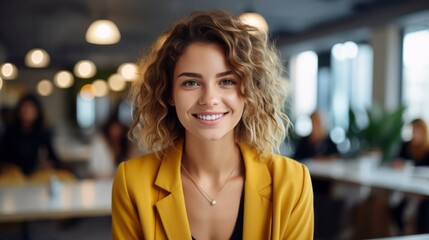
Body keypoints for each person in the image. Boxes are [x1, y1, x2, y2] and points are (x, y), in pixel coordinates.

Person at [111, 9, 314, 239]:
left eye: (226, 81)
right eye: (191, 83)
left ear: (248, 91)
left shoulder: (292, 182)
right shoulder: (132, 183)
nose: (209, 98)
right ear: (169, 94)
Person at [0, 93, 61, 175]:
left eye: (31, 107)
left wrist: (47, 165)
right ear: (19, 109)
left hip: (33, 175)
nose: (27, 110)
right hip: (11, 176)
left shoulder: (42, 132)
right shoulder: (10, 131)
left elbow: (53, 158)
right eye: (24, 106)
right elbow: (2, 156)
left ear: (37, 111)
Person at [391, 118, 429, 234]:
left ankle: (422, 234)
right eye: (412, 130)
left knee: (425, 209)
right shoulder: (405, 145)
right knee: (395, 205)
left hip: (423, 189)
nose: (414, 133)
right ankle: (400, 231)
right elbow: (396, 161)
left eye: (417, 130)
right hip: (406, 187)